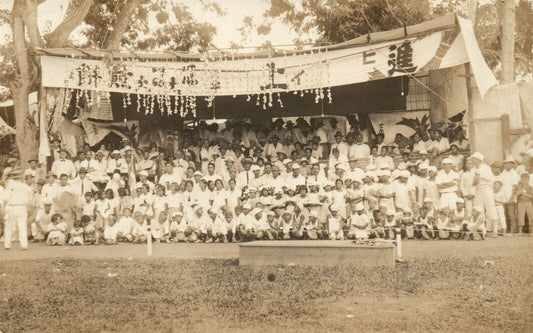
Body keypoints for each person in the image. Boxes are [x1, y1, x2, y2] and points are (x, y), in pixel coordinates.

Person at [3, 169, 33, 250]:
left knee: (9, 227)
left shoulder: (10, 185)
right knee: (22, 226)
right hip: (22, 207)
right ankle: (24, 245)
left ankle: (7, 245)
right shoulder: (26, 186)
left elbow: (6, 197)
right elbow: (29, 200)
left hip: (11, 207)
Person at [471, 152, 498, 236]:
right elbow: (473, 182)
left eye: (475, 159)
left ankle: (495, 230)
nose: (473, 160)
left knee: (490, 207)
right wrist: (474, 183)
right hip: (478, 189)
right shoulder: (473, 169)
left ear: (479, 159)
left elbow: (491, 179)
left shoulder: (486, 167)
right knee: (480, 209)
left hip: (487, 188)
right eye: (473, 159)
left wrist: (481, 175)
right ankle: (482, 230)